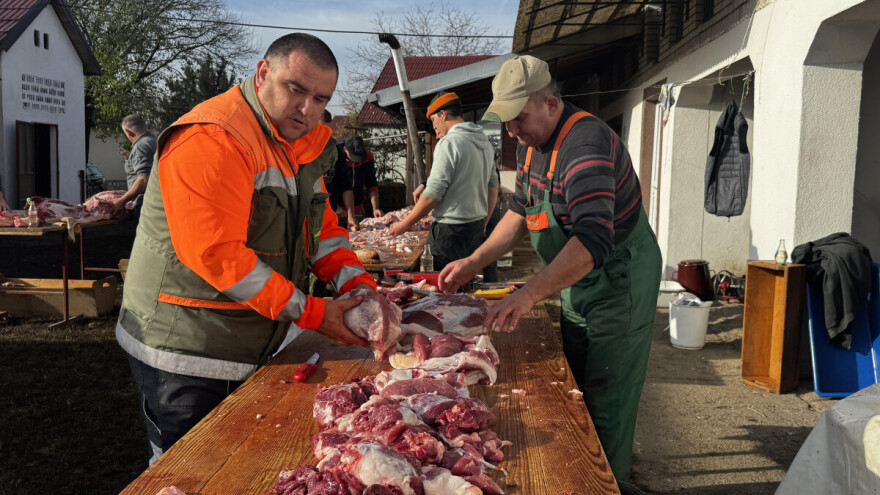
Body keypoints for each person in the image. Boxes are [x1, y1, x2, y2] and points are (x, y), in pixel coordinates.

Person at [115, 33, 377, 465]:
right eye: (296, 89)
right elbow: (217, 254)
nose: (307, 108)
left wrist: (364, 291)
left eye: (320, 97)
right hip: (188, 349)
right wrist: (313, 313)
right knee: (190, 473)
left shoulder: (299, 145)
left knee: (251, 466)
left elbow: (324, 233)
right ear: (262, 74)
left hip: (256, 341)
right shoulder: (214, 137)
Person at [438, 55, 662, 482]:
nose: (512, 131)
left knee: (606, 397)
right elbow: (520, 212)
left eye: (519, 118)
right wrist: (474, 261)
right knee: (576, 388)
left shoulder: (585, 144)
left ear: (551, 104)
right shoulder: (529, 145)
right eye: (505, 121)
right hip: (577, 280)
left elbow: (593, 239)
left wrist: (528, 294)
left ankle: (608, 483)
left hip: (618, 280)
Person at [389, 92, 499, 272]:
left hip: (450, 233)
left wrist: (405, 224)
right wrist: (484, 222)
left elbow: (434, 194)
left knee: (441, 291)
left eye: (433, 120)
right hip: (475, 228)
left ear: (443, 114)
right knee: (466, 286)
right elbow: (493, 187)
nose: (434, 127)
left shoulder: (449, 143)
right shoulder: (484, 142)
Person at [332, 136, 383, 230]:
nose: (357, 161)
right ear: (345, 149)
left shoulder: (368, 156)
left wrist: (375, 208)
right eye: (354, 157)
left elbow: (371, 183)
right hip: (337, 210)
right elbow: (331, 185)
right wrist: (335, 206)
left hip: (357, 208)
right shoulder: (335, 157)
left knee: (358, 238)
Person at [114, 114, 157, 220]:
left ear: (128, 132)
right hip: (157, 204)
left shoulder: (140, 146)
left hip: (145, 206)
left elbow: (143, 179)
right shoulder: (154, 141)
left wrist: (122, 200)